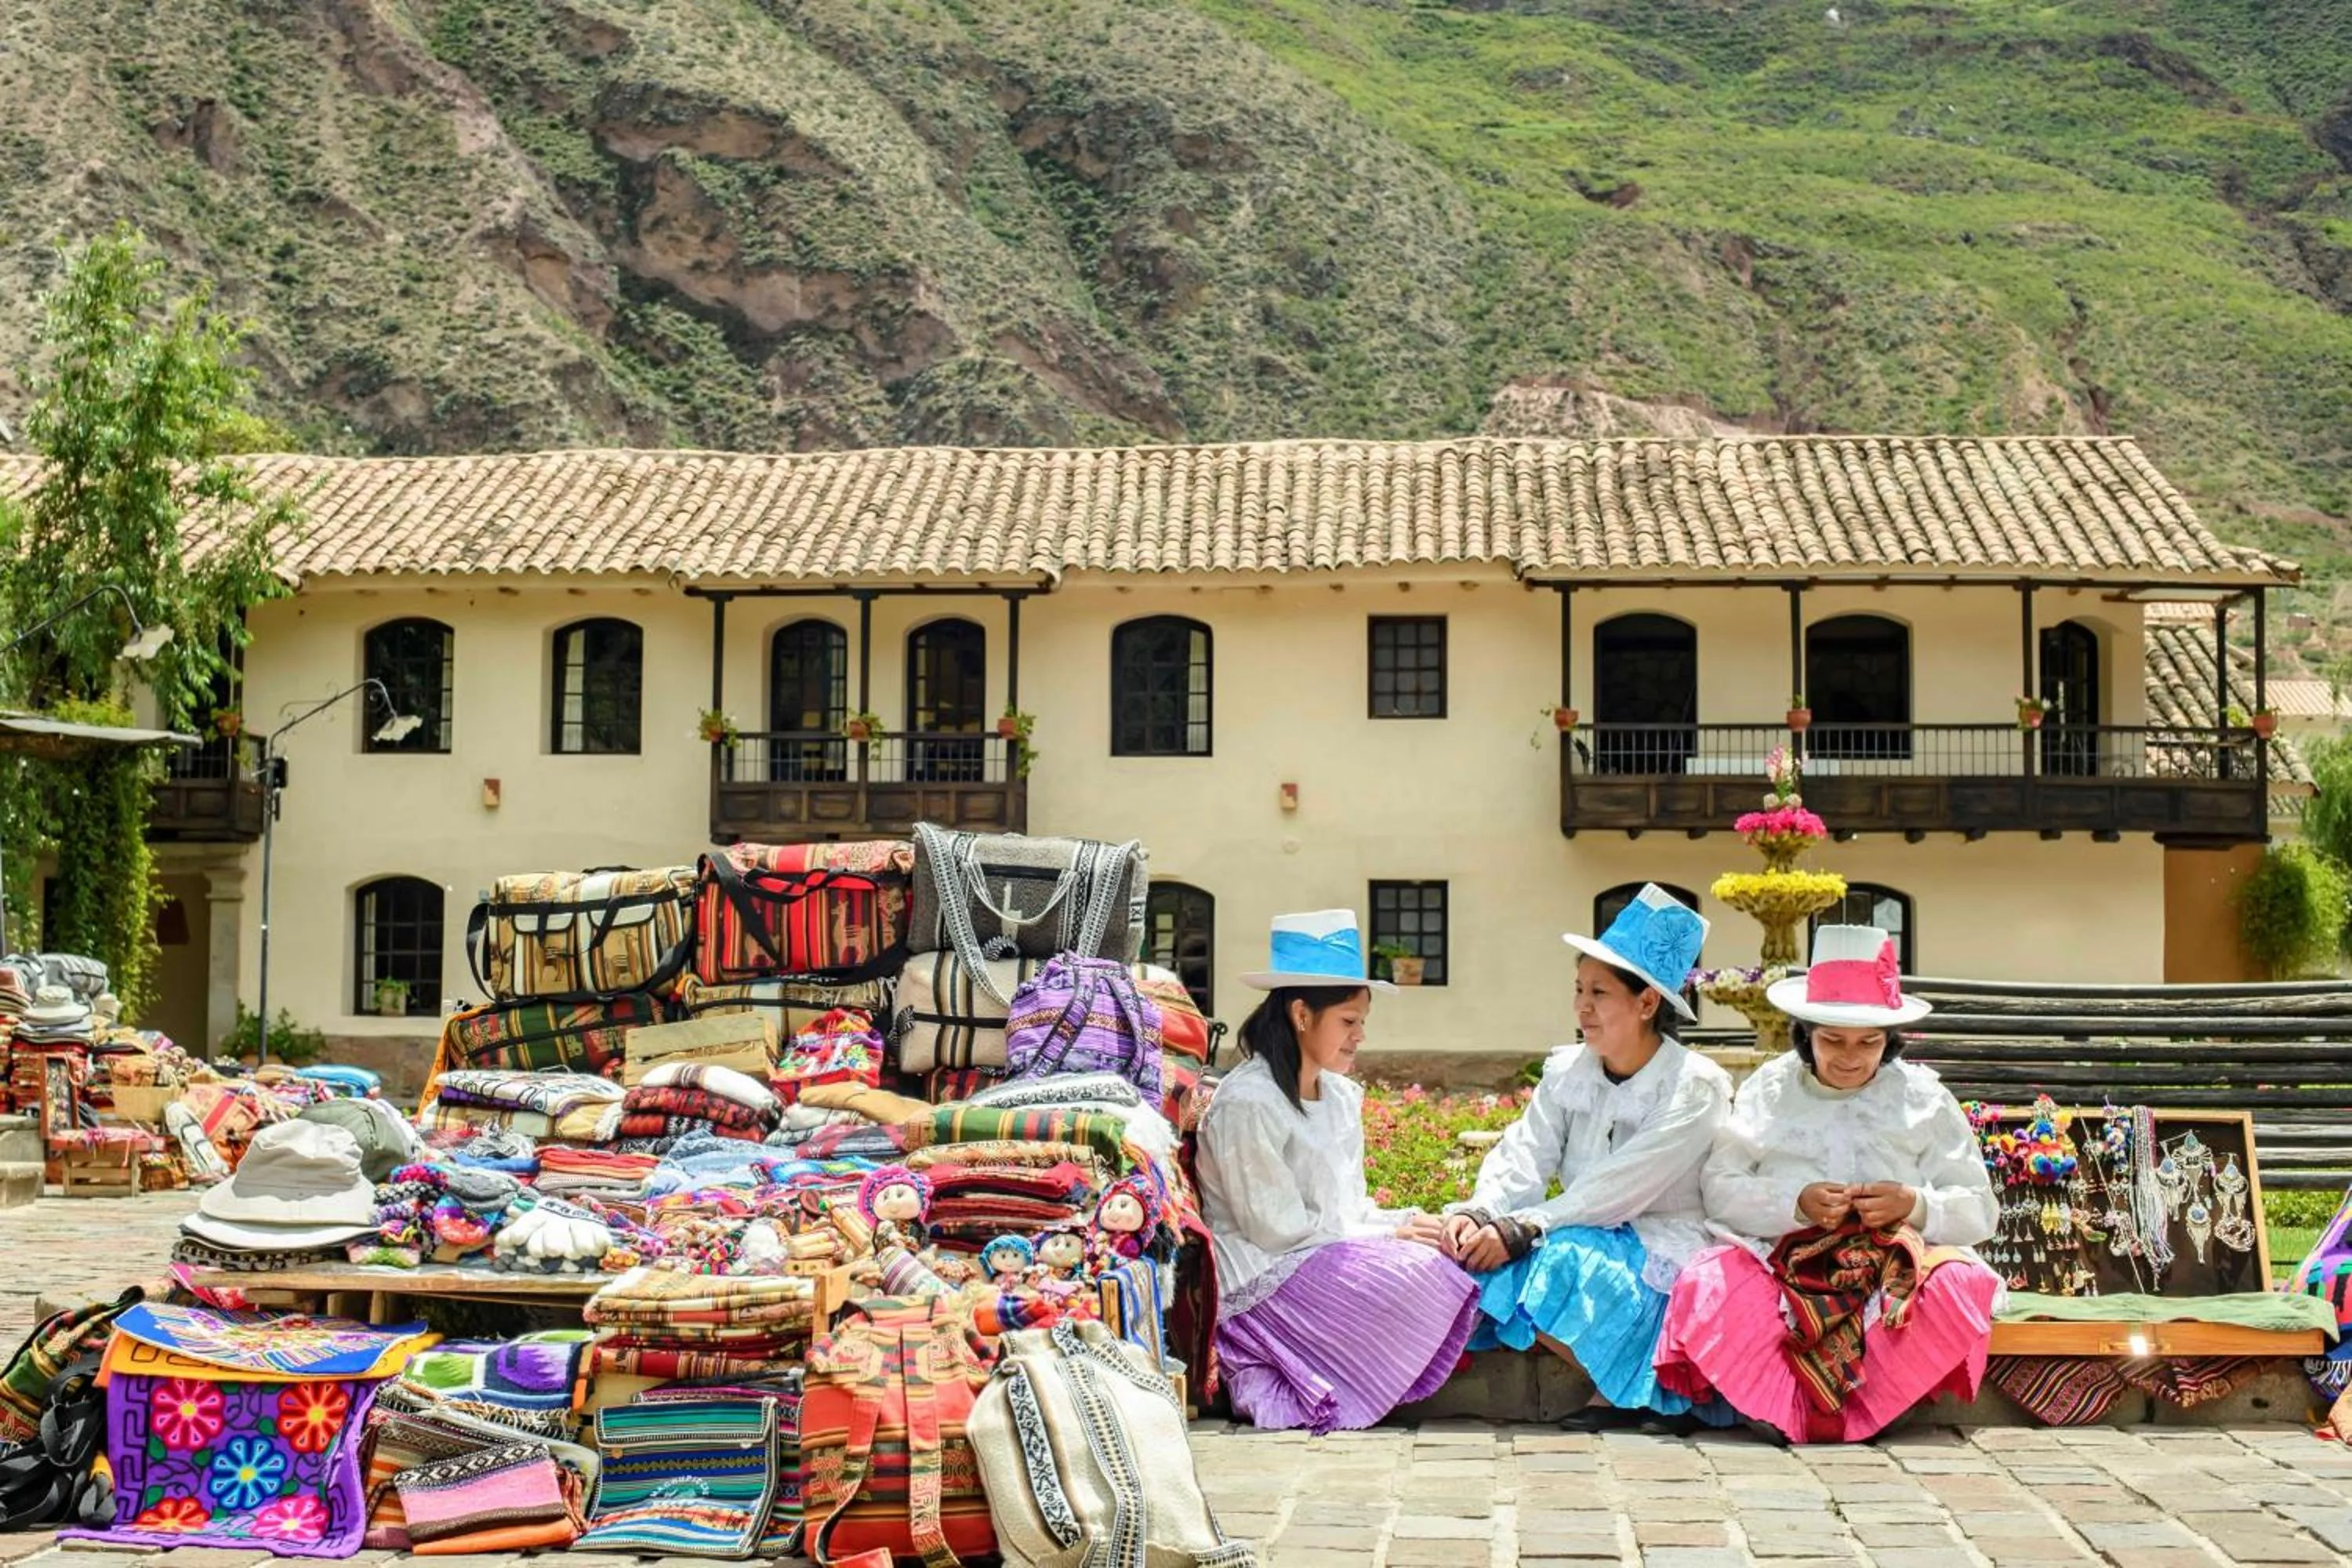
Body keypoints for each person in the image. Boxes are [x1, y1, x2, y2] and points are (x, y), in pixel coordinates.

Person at [1653, 925, 2001, 1444]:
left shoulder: (1924, 1097)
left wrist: (1915, 1205)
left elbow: (1979, 1210)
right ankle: (1776, 1406)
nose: (1850, 1056)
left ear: (1889, 1043)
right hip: (1783, 1264)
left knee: (1960, 1285)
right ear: (1806, 1034)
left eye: (1869, 1042)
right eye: (1832, 1040)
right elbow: (1720, 1189)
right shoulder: (1769, 1089)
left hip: (1891, 1271)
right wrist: (1795, 1206)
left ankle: (1868, 1407)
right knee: (1707, 1280)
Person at [1441, 884, 1733, 1433]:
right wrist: (1482, 1212)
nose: (1581, 1007)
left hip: (1659, 1242)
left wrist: (1527, 1226)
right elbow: (1525, 1150)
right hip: (1576, 1227)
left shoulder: (1693, 1087)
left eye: (1599, 993)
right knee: (1474, 1260)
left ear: (1647, 1003)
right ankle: (1630, 1393)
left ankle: (1656, 1387)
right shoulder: (1568, 1071)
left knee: (1552, 1259)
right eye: (1579, 989)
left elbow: (1624, 1186)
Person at [1194, 909, 1479, 1433]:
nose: (1360, 1037)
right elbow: (1276, 1229)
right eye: (1349, 1022)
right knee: (1421, 1272)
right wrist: (1390, 1235)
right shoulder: (1249, 1103)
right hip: (1263, 1272)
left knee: (1444, 1249)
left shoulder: (1340, 1097)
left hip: (1321, 1251)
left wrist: (1405, 1222)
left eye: (1361, 1023)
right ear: (1302, 1015)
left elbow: (1347, 1206)